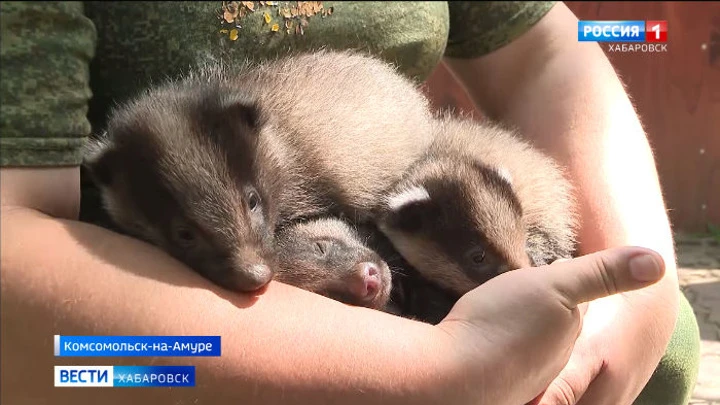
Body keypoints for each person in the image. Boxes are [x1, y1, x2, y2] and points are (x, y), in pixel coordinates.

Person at [0, 1, 699, 404]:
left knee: (667, 347)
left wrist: (640, 288)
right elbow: (34, 319)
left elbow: (552, 53)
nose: (252, 266)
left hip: (399, 201)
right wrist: (428, 375)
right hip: (149, 340)